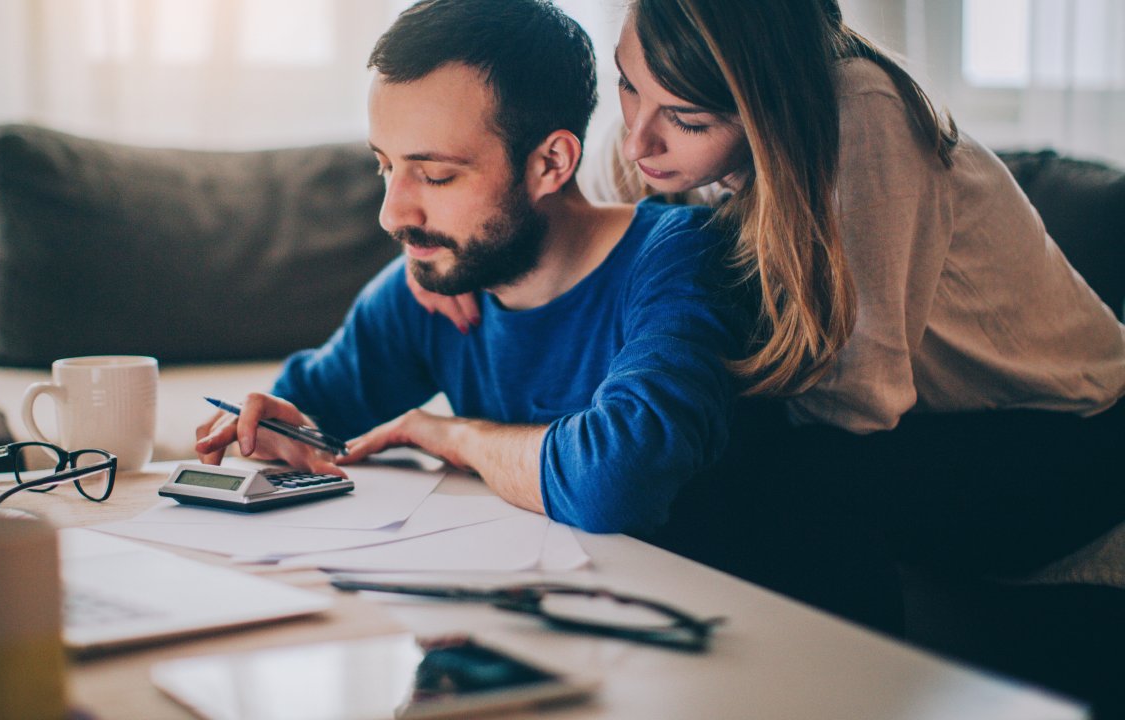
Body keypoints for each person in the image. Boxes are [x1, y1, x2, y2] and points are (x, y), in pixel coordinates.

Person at [408, 0, 1125, 635]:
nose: (638, 141)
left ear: (767, 103)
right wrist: (447, 248)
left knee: (739, 468)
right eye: (628, 85)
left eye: (687, 120)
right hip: (925, 423)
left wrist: (651, 408)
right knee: (665, 440)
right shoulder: (663, 113)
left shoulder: (860, 116)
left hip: (1067, 431)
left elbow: (861, 400)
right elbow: (568, 213)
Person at [194, 0, 749, 536]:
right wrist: (270, 426)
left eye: (435, 175)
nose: (392, 215)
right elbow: (309, 414)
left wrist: (453, 436)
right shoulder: (435, 283)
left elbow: (616, 484)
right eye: (385, 166)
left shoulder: (682, 260)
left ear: (550, 163)